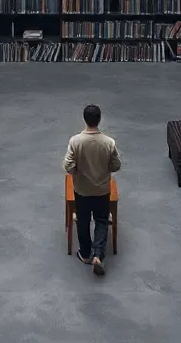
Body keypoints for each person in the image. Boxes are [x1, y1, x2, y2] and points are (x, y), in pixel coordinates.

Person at [63, 104, 121, 277]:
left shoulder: (75, 141)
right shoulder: (109, 142)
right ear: (99, 120)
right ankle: (98, 255)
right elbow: (116, 165)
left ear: (84, 119)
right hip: (102, 190)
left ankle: (86, 253)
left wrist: (77, 172)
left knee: (82, 220)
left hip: (82, 189)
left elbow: (68, 166)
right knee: (102, 220)